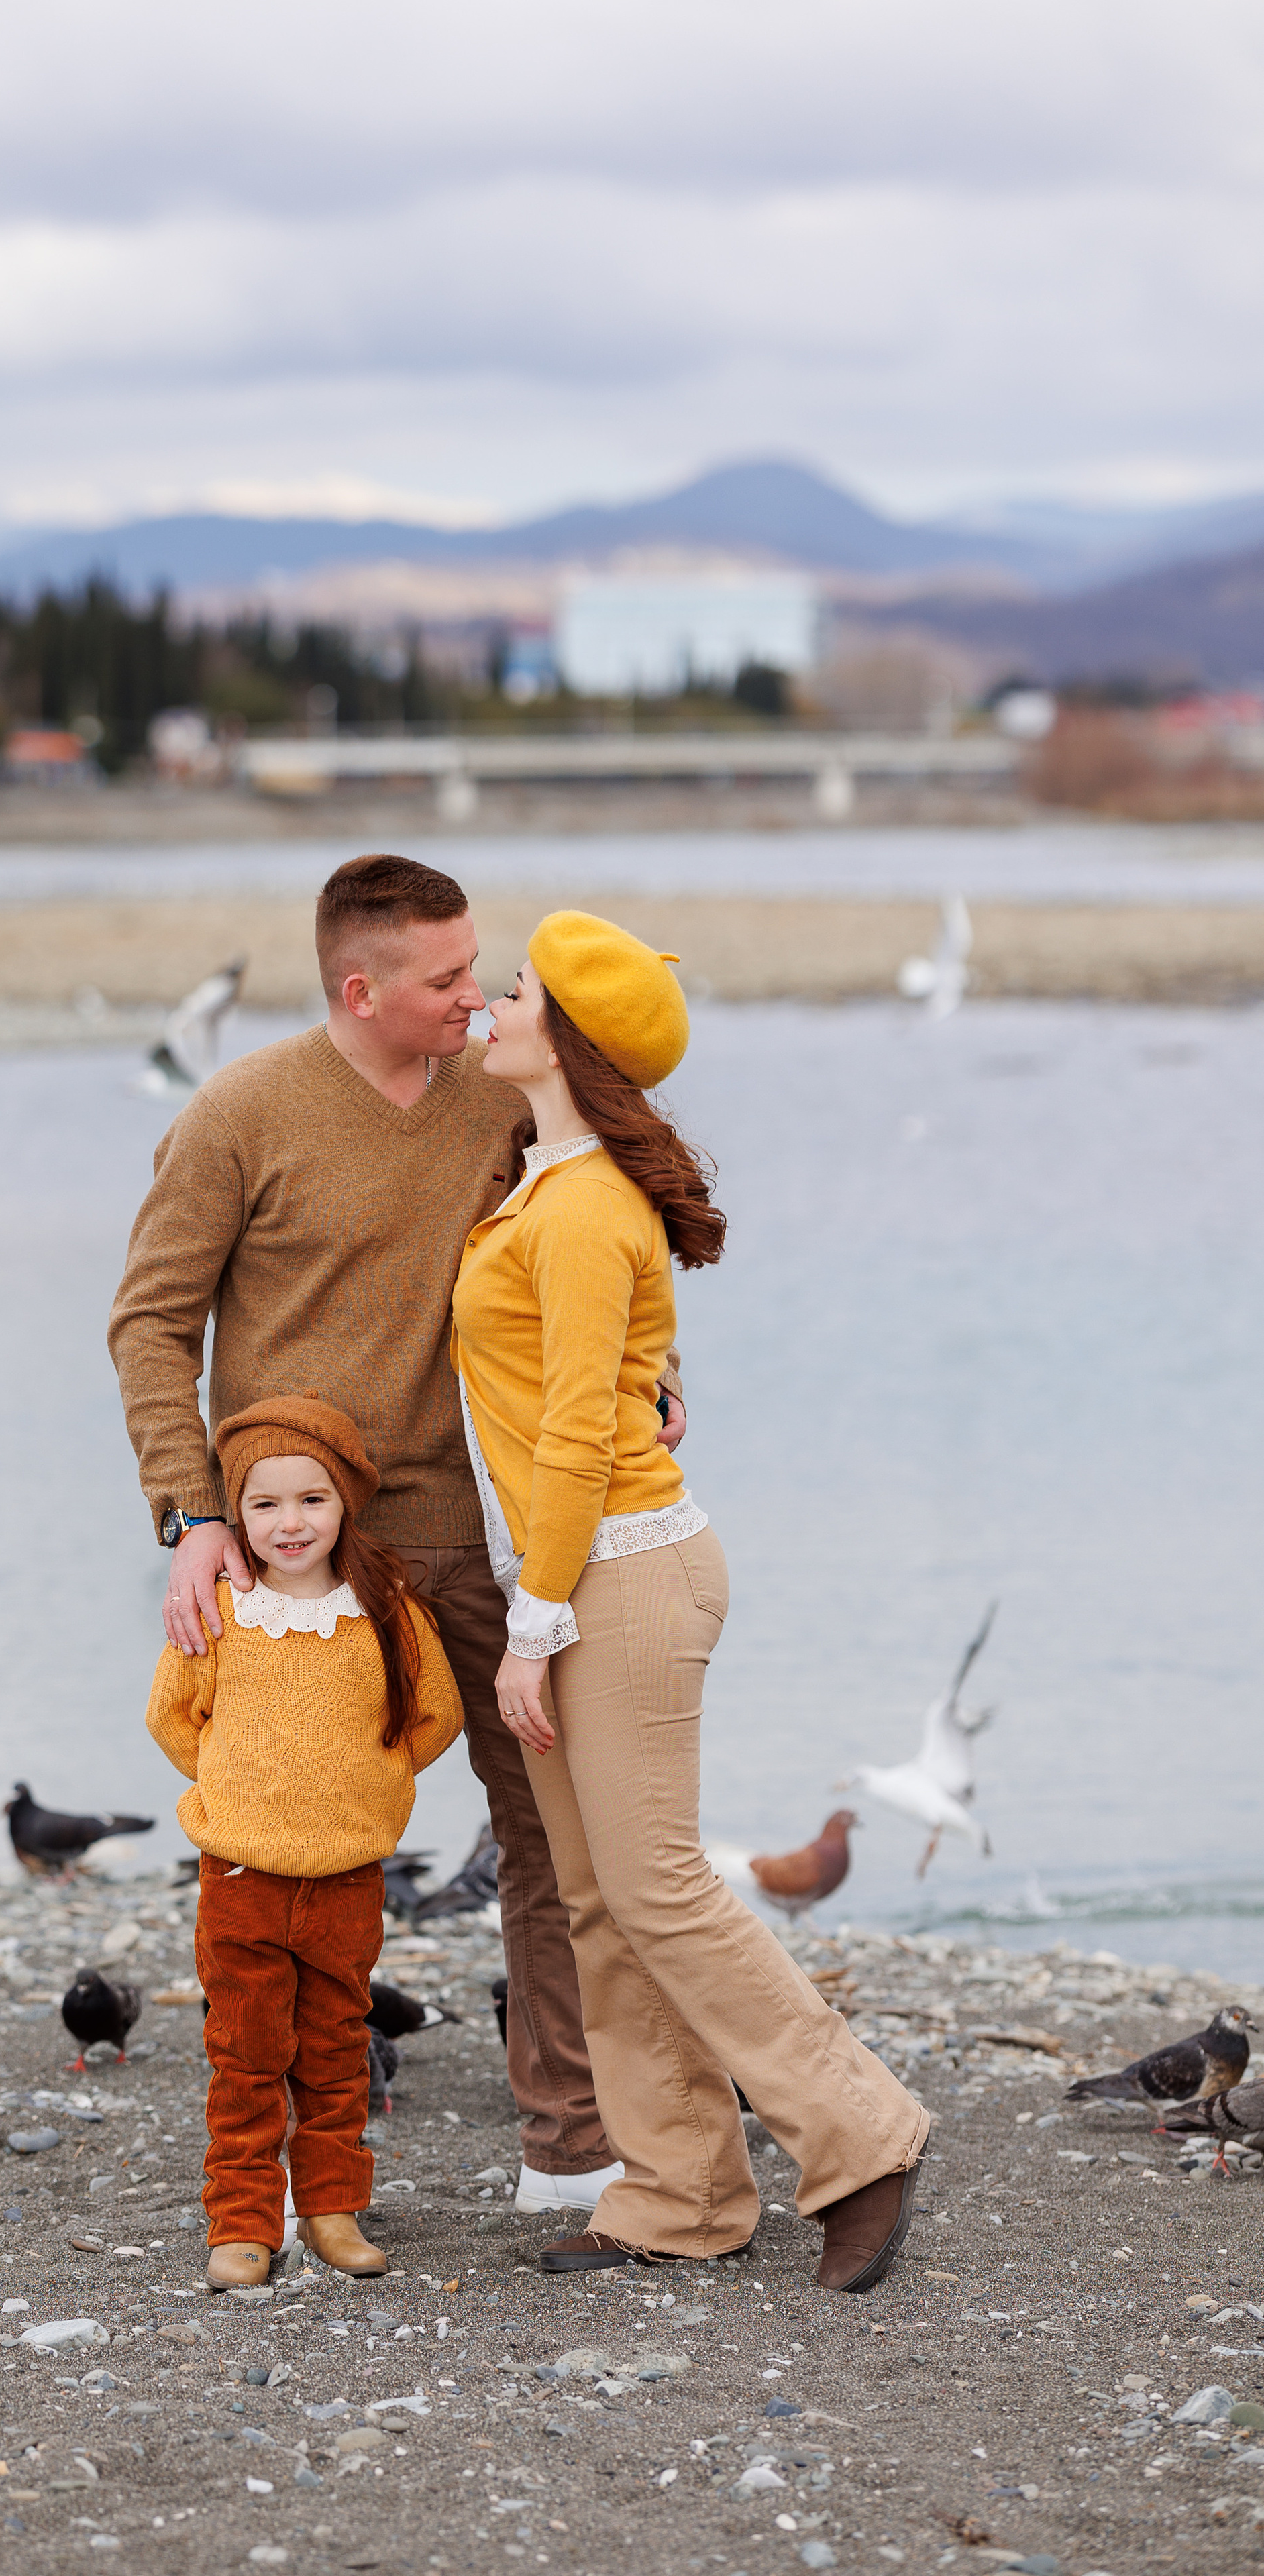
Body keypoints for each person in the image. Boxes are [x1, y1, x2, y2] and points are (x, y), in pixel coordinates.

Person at [111, 854, 683, 2214]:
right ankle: (269, 2158)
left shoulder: (499, 1100)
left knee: (544, 1827)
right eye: (443, 979)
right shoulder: (238, 1112)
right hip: (288, 1546)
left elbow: (581, 1244)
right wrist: (193, 1515)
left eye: (477, 968)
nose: (474, 998)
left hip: (459, 1528)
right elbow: (150, 1325)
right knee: (278, 1852)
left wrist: (644, 1379)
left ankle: (568, 2139)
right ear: (358, 989)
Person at [451, 910, 930, 2291]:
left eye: (520, 992)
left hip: (616, 1574)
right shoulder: (540, 1184)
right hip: (574, 1568)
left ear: (569, 1040)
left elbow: (574, 1443)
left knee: (654, 1887)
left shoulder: (587, 1206)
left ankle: (861, 2132)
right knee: (599, 1899)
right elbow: (607, 1385)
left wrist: (534, 1625)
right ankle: (676, 2192)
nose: (493, 1001)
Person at [144, 1395, 464, 2287]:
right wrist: (237, 1788)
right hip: (240, 1877)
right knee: (245, 2058)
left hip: (347, 1878)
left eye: (312, 1501)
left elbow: (435, 1716)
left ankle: (332, 2210)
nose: (290, 1524)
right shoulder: (221, 1610)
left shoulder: (387, 1610)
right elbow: (172, 1718)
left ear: (347, 1504)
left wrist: (369, 1785)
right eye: (265, 1504)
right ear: (236, 1514)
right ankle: (244, 2221)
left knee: (334, 2053)